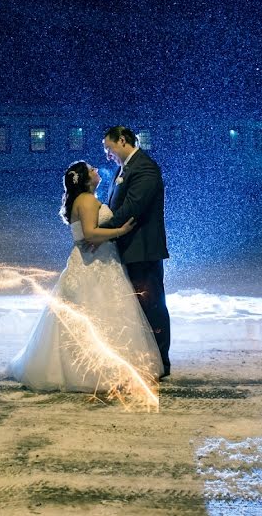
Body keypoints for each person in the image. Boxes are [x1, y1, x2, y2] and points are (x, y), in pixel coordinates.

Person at [8, 161, 163, 391]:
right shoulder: (87, 201)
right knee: (102, 312)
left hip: (90, 261)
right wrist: (120, 232)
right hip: (95, 265)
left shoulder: (82, 200)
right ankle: (97, 371)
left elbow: (86, 234)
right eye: (92, 170)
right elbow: (90, 233)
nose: (97, 171)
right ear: (85, 179)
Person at [100, 125, 172, 379]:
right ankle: (144, 358)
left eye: (109, 147)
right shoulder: (123, 169)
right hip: (126, 247)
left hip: (143, 250)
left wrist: (97, 228)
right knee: (137, 307)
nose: (107, 153)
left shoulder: (145, 168)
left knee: (151, 305)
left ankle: (161, 362)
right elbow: (114, 204)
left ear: (122, 141)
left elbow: (132, 207)